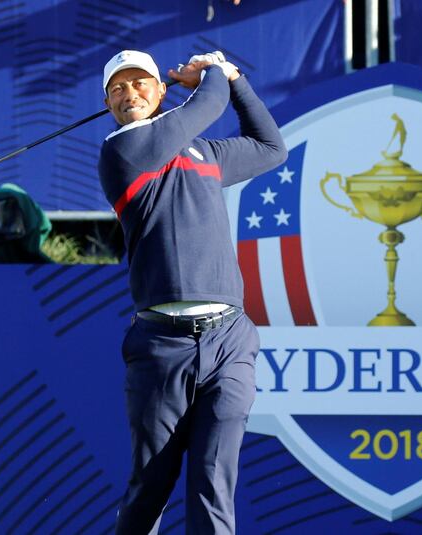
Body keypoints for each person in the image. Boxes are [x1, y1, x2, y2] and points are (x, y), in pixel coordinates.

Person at [98, 49, 287, 534]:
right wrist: (214, 74)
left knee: (212, 483)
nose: (129, 94)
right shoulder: (121, 151)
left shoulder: (205, 154)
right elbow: (207, 105)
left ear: (161, 91)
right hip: (162, 346)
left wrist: (237, 79)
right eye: (117, 89)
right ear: (108, 104)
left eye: (140, 83)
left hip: (229, 341)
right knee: (151, 486)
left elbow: (270, 148)